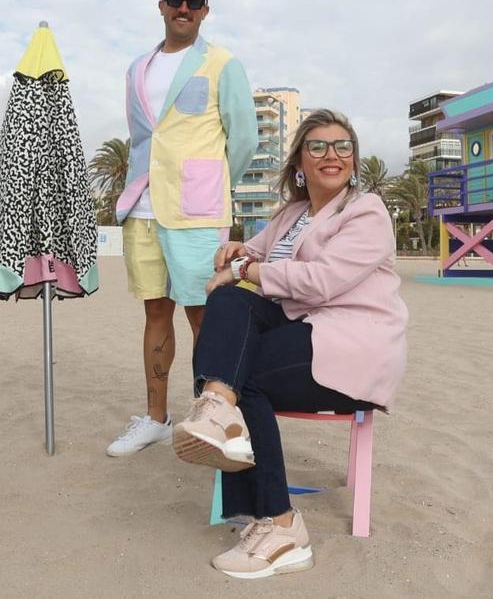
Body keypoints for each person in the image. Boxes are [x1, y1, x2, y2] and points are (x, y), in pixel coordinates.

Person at [172, 109, 408, 578]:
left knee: (249, 376)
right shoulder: (293, 214)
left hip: (350, 346)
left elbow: (321, 281)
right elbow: (256, 254)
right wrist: (236, 254)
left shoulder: (366, 210)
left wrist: (243, 271)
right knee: (226, 302)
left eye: (342, 146)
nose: (332, 154)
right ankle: (218, 410)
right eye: (317, 146)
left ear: (354, 160)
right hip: (302, 330)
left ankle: (281, 526)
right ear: (299, 161)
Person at [105, 0, 257, 457]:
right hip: (143, 207)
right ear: (162, 5)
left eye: (194, 1)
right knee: (154, 310)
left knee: (204, 316)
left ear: (205, 11)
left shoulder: (222, 63)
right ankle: (154, 417)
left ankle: (207, 418)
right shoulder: (136, 69)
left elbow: (245, 139)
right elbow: (141, 134)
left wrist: (210, 186)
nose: (184, 7)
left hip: (197, 211)